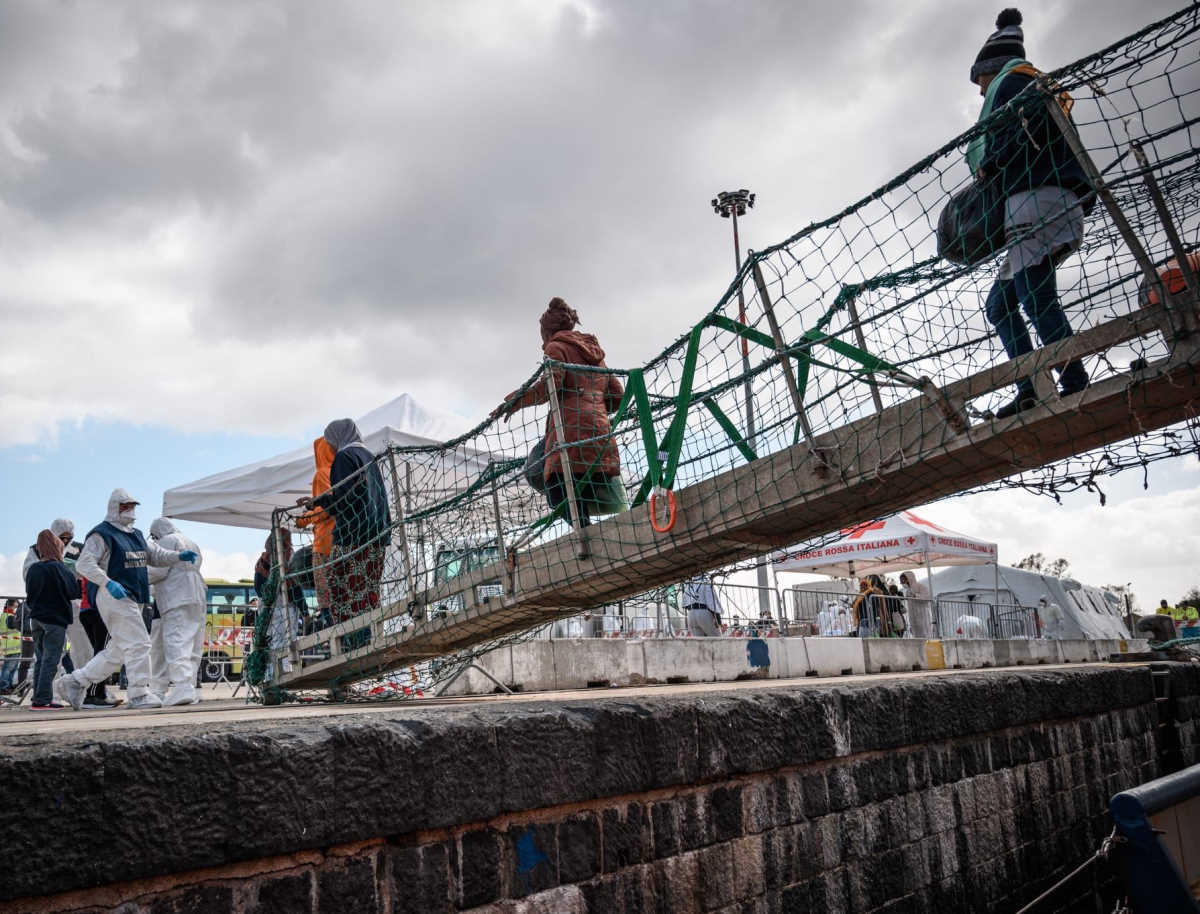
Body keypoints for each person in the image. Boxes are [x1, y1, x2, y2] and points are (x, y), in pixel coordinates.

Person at [967, 9, 1092, 419]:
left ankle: (1072, 376)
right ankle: (1028, 387)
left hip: (1038, 201)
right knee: (1002, 305)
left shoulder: (1014, 85)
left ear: (992, 69)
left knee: (1034, 296)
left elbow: (1017, 140)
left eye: (979, 80)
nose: (980, 92)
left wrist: (989, 166)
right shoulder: (1034, 83)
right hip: (1050, 202)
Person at [55, 489, 198, 711]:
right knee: (140, 643)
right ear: (114, 507)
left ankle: (75, 682)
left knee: (118, 650)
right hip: (114, 596)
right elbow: (84, 564)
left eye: (132, 506)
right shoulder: (102, 534)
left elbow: (156, 555)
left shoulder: (136, 535)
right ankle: (139, 693)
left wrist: (178, 557)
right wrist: (106, 582)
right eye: (125, 506)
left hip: (135, 597)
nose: (130, 510)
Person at [493, 298, 625, 528]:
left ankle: (583, 532)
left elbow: (548, 388)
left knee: (548, 480)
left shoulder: (556, 347)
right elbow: (617, 396)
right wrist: (594, 404)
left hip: (570, 435)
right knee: (575, 485)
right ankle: (585, 530)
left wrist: (513, 401)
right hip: (600, 436)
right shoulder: (596, 355)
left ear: (546, 332)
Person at [300, 420, 391, 624]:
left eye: (330, 441)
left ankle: (355, 644)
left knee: (343, 594)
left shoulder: (344, 457)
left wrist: (316, 502)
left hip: (352, 538)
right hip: (377, 536)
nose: (330, 446)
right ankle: (372, 634)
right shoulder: (368, 456)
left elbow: (344, 501)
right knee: (368, 593)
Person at [146, 518, 206, 706]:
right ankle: (190, 686)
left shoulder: (166, 542)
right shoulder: (192, 542)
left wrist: (136, 578)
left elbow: (157, 572)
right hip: (197, 596)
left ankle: (182, 687)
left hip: (176, 597)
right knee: (193, 644)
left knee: (176, 641)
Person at [24, 530, 78, 710]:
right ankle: (42, 700)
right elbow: (73, 591)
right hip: (55, 619)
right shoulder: (60, 568)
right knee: (51, 660)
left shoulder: (33, 569)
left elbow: (29, 596)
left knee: (40, 659)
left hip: (37, 618)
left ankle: (38, 697)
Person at [297, 436, 336, 616]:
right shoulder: (340, 472)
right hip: (338, 539)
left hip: (323, 544)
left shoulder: (321, 474)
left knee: (325, 597)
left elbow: (325, 509)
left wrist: (303, 519)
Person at [21, 518, 82, 583]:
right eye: (62, 537)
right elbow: (27, 574)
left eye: (69, 538)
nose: (65, 540)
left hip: (74, 592)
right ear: (54, 535)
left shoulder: (80, 549)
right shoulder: (37, 549)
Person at [899, 572, 933, 639]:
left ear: (909, 578)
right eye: (901, 581)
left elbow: (928, 597)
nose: (902, 583)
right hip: (913, 617)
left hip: (923, 615)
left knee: (925, 635)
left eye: (903, 580)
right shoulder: (907, 591)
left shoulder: (920, 586)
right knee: (916, 636)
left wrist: (916, 595)